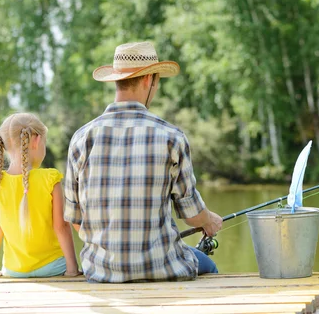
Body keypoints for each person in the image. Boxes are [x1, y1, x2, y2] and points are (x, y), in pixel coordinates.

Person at [64, 41, 223, 283]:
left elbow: (75, 218)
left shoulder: (81, 138)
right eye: (157, 82)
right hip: (162, 269)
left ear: (117, 80)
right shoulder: (172, 137)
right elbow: (192, 216)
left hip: (101, 272)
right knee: (208, 266)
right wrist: (209, 220)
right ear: (148, 80)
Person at [0, 113, 80, 278]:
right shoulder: (49, 179)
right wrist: (72, 269)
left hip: (14, 270)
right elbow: (61, 227)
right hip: (53, 267)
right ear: (36, 141)